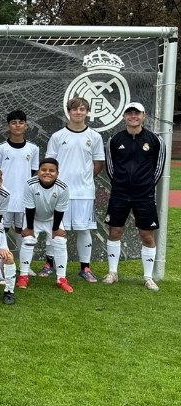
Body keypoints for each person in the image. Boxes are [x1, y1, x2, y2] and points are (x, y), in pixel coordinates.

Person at [102, 102, 166, 291]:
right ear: (124, 116)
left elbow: (159, 168)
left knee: (147, 236)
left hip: (144, 195)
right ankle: (113, 273)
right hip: (120, 194)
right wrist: (121, 185)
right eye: (129, 113)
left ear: (143, 116)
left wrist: (144, 186)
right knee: (115, 233)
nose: (133, 116)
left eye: (136, 113)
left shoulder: (155, 140)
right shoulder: (114, 140)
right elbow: (111, 168)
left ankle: (148, 277)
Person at [45, 97, 104, 283]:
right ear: (68, 112)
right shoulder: (57, 136)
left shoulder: (95, 137)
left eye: (82, 109)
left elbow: (98, 164)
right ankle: (49, 265)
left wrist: (84, 179)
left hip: (84, 193)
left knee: (84, 230)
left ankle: (85, 268)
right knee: (54, 229)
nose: (78, 112)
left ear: (87, 112)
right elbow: (49, 164)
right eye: (74, 109)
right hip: (59, 192)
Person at [16, 158, 73, 293]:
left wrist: (55, 229)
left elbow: (60, 210)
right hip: (33, 218)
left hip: (53, 219)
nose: (47, 173)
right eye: (44, 170)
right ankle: (23, 275)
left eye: (51, 170)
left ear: (57, 173)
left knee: (59, 242)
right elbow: (29, 208)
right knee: (28, 240)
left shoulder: (63, 187)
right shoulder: (30, 184)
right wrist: (29, 228)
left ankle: (61, 279)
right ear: (38, 171)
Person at [0, 110, 40, 261]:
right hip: (3, 198)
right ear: (8, 126)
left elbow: (34, 174)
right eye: (13, 122)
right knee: (0, 231)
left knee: (22, 231)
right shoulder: (0, 148)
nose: (17, 126)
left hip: (24, 199)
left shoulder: (33, 149)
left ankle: (23, 265)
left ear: (26, 125)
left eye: (21, 122)